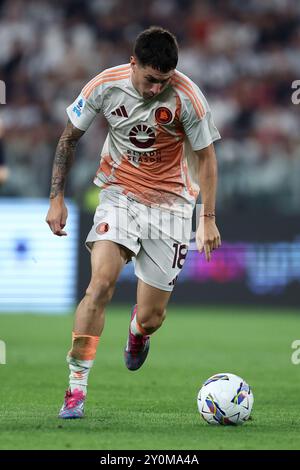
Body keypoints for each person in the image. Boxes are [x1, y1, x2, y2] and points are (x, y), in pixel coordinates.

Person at [46, 26, 221, 419]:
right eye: (149, 79)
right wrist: (56, 198)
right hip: (119, 194)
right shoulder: (105, 86)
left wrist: (206, 218)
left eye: (163, 82)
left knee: (151, 317)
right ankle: (76, 388)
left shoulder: (188, 98)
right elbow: (68, 138)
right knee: (100, 284)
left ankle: (138, 332)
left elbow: (207, 158)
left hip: (172, 204)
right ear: (133, 64)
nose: (155, 89)